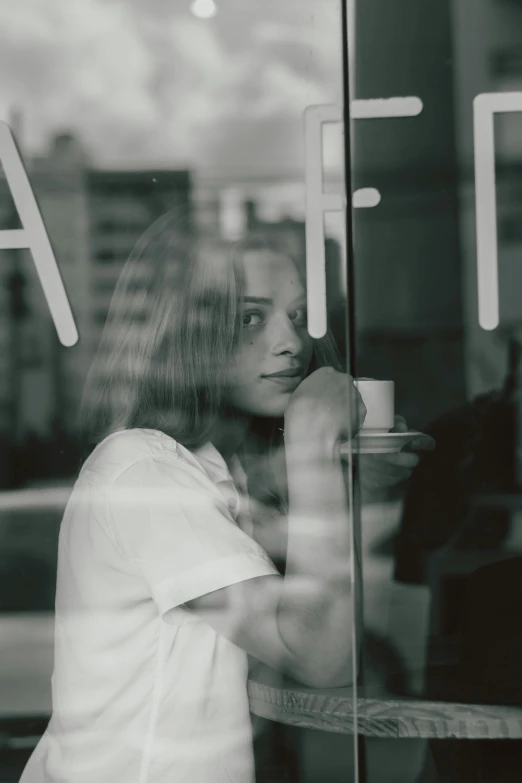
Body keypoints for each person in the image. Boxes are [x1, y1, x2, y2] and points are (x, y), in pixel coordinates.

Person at [20, 211, 432, 783]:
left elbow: (338, 637)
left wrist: (352, 487)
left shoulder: (224, 476)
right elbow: (321, 656)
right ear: (187, 331)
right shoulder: (145, 471)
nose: (291, 343)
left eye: (297, 316)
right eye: (250, 318)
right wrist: (314, 453)